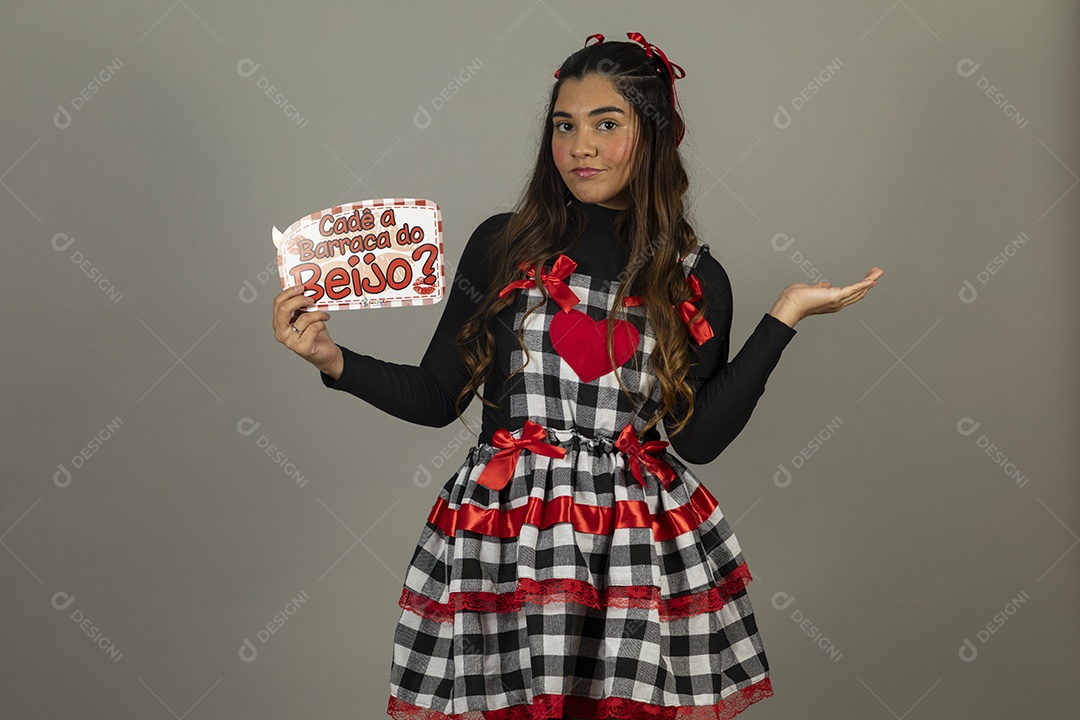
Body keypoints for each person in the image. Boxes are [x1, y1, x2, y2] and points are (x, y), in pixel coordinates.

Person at [273, 32, 882, 720]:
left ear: (652, 137)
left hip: (630, 546)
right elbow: (437, 396)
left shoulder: (691, 278)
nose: (579, 146)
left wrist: (785, 316)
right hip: (509, 535)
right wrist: (333, 360)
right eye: (564, 125)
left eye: (606, 124)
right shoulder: (502, 244)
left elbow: (700, 440)